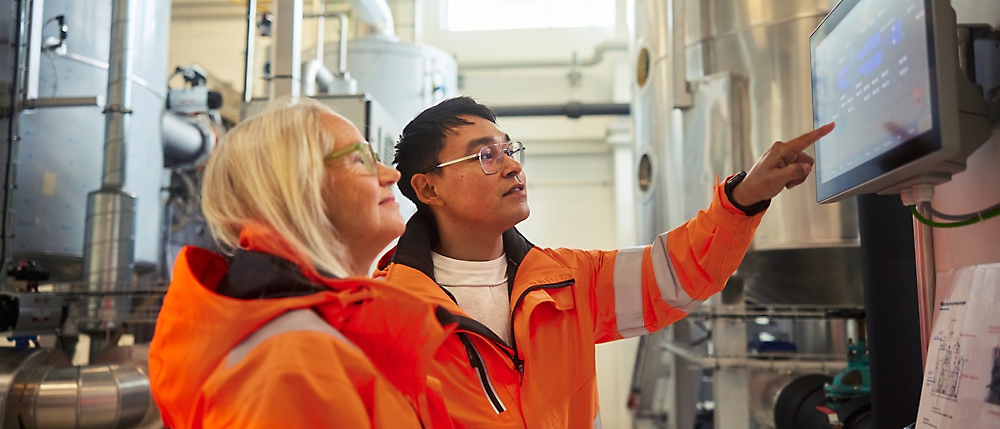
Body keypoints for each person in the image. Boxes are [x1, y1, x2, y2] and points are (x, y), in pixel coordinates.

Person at [377, 96, 834, 427]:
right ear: (428, 189)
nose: (513, 166)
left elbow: (677, 273)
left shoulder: (568, 282)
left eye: (509, 150)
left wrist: (743, 198)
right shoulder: (386, 315)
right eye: (485, 155)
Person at [149, 98, 457, 429]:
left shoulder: (313, 335)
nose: (391, 174)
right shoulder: (292, 366)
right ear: (294, 186)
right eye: (359, 160)